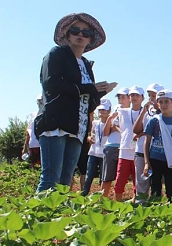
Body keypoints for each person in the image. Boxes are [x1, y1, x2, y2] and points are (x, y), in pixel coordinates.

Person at [35, 13, 116, 192]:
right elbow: (51, 83)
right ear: (67, 34)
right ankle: (37, 218)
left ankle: (55, 218)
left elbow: (88, 103)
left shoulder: (86, 64)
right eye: (75, 30)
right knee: (51, 178)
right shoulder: (56, 54)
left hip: (77, 128)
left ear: (90, 39)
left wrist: (99, 93)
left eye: (86, 32)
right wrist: (89, 88)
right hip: (55, 122)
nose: (80, 34)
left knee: (65, 181)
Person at [144, 90, 172, 201]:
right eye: (161, 102)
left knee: (171, 189)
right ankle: (156, 213)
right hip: (155, 159)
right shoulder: (154, 120)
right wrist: (146, 162)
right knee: (155, 187)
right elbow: (147, 142)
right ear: (157, 104)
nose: (163, 105)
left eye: (166, 101)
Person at [133, 83, 164, 203]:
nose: (151, 98)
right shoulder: (146, 111)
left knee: (156, 183)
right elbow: (135, 129)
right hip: (141, 150)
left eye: (154, 95)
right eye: (150, 95)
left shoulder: (164, 114)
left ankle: (154, 209)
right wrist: (143, 111)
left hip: (156, 151)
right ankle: (141, 208)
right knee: (141, 182)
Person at [112, 85, 144, 201]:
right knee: (120, 180)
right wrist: (123, 133)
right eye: (132, 95)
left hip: (139, 150)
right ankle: (117, 207)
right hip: (124, 150)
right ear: (129, 98)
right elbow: (114, 123)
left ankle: (136, 205)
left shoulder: (147, 113)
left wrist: (139, 135)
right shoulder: (122, 111)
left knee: (138, 182)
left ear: (142, 98)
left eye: (137, 95)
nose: (134, 97)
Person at [101, 88, 127, 197]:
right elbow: (106, 132)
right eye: (119, 97)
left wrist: (117, 128)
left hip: (125, 148)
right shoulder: (116, 110)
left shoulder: (133, 111)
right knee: (107, 177)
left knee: (121, 178)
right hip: (111, 146)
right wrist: (111, 122)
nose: (120, 99)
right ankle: (102, 202)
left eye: (123, 97)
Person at [81, 98, 111, 196]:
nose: (101, 112)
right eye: (100, 110)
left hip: (104, 154)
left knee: (103, 177)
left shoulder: (111, 124)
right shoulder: (95, 123)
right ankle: (84, 193)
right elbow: (91, 134)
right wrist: (89, 137)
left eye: (104, 110)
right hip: (93, 152)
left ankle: (101, 195)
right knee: (89, 174)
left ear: (109, 111)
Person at [22, 94, 44, 167]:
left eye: (41, 101)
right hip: (34, 144)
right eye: (38, 101)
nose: (39, 103)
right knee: (35, 166)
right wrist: (25, 147)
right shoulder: (33, 115)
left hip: (44, 143)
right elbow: (28, 132)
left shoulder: (48, 113)